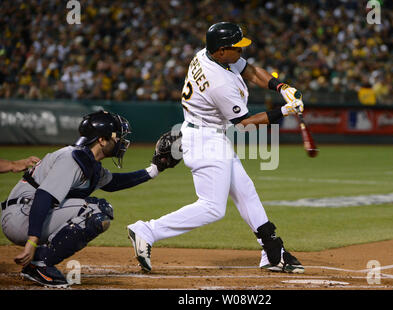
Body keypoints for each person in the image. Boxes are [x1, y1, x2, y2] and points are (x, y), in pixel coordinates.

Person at [127, 22, 305, 273]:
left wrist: (281, 87)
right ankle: (147, 231)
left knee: (246, 192)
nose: (241, 52)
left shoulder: (208, 54)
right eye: (236, 48)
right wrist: (284, 111)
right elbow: (243, 124)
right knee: (212, 208)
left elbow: (251, 71)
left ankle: (273, 253)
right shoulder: (219, 82)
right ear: (221, 51)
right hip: (205, 141)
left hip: (207, 135)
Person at [0, 110, 170, 288]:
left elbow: (114, 182)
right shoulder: (71, 159)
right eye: (116, 137)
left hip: (28, 212)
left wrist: (154, 170)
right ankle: (39, 264)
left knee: (98, 209)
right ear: (101, 140)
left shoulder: (87, 160)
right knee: (95, 212)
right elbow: (44, 196)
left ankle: (38, 261)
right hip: (21, 215)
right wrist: (31, 241)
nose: (121, 142)